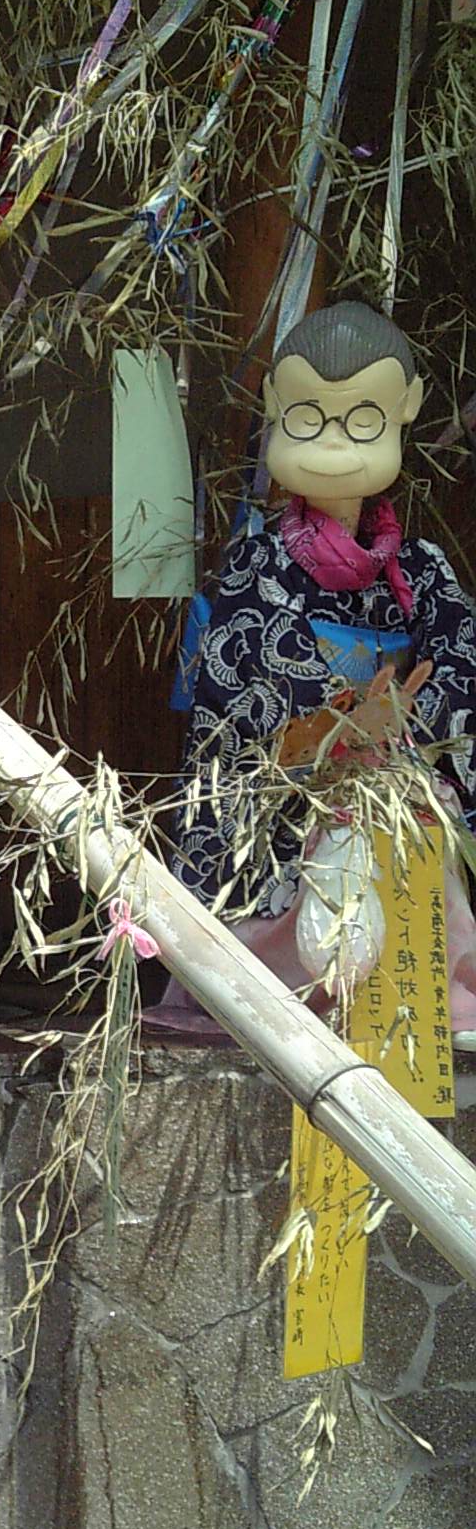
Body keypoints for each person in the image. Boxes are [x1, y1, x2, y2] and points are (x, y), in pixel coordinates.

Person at [157, 301, 476, 1034]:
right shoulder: (256, 565)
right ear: (275, 405)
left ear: (405, 409)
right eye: (308, 419)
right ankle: (284, 981)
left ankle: (433, 991)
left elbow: (460, 668)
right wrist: (335, 725)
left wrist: (406, 726)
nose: (333, 445)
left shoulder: (422, 570)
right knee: (331, 841)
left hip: (397, 780)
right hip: (291, 792)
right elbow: (238, 695)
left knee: (418, 814)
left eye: (362, 421)